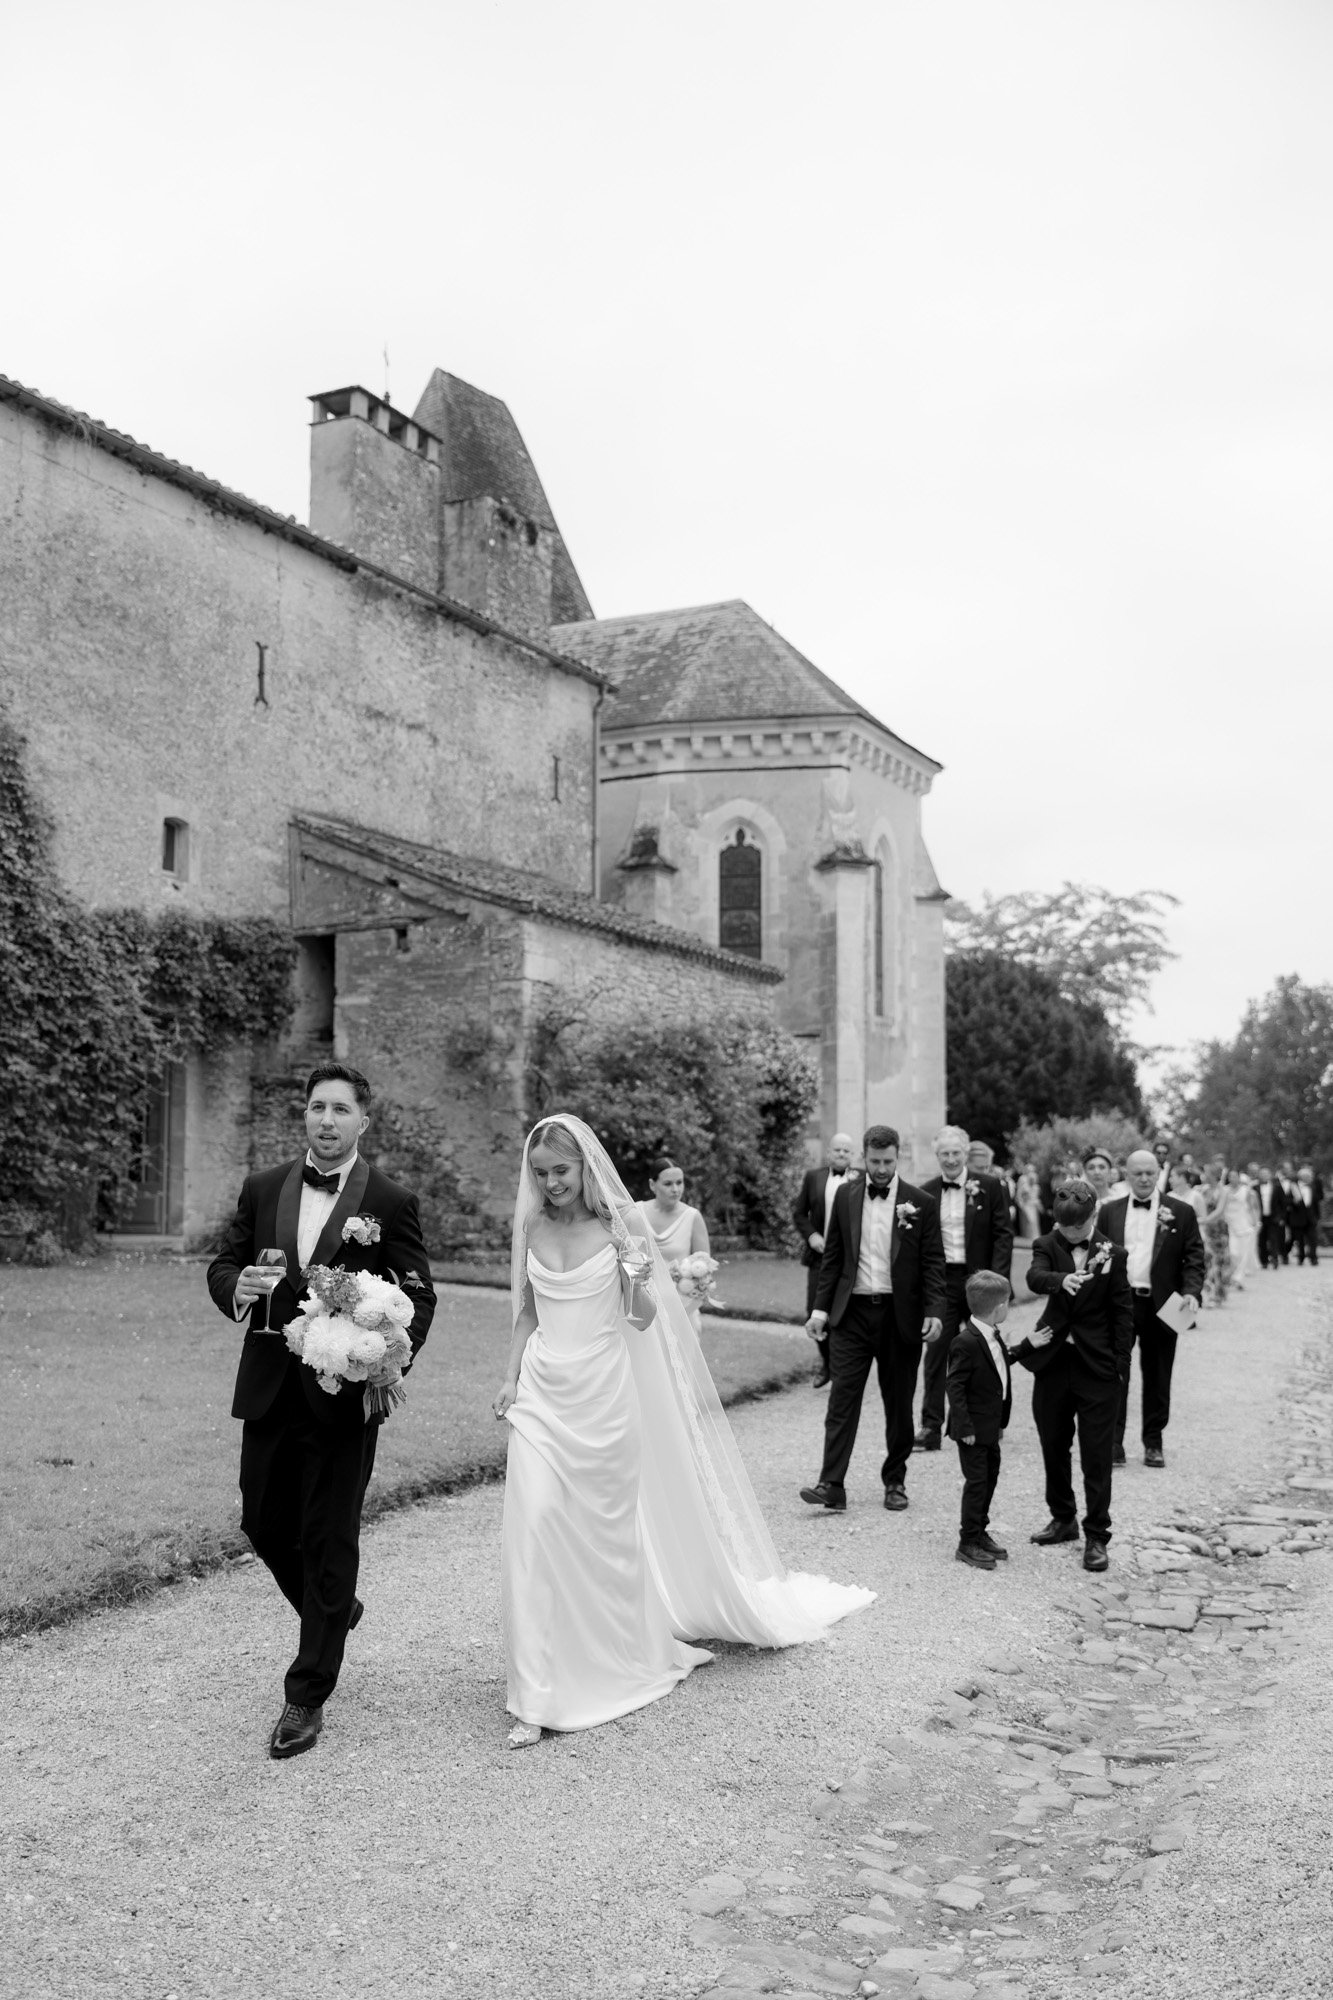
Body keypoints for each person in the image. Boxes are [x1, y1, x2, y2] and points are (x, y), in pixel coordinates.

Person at [494, 1115, 873, 1748]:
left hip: (602, 1396)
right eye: (541, 1173)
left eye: (561, 1170)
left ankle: (613, 1657)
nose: (551, 1183)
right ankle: (535, 1691)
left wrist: (639, 1281)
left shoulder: (621, 1227)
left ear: (585, 1168)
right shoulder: (532, 1225)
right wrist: (509, 1379)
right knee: (532, 1528)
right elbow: (529, 1311)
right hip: (539, 1392)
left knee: (603, 1538)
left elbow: (643, 1320)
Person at [206, 1062, 436, 1760]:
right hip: (268, 1385)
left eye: (340, 1109)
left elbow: (418, 1295)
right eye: (316, 1107)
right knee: (262, 1520)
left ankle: (306, 1695)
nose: (327, 1120)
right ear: (304, 1115)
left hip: (344, 1394)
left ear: (363, 1120)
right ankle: (335, 1609)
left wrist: (387, 1358)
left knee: (329, 1536)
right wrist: (236, 1286)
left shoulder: (390, 1200)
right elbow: (223, 1264)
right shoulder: (262, 1186)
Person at [800, 1123, 945, 1513]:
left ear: (898, 1158)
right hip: (852, 1316)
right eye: (875, 1161)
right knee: (841, 1400)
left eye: (888, 1162)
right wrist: (820, 1310)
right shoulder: (845, 1196)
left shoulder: (921, 1202)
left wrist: (934, 1310)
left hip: (901, 1318)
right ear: (864, 1157)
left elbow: (933, 1262)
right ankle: (831, 1484)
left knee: (898, 1404)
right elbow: (833, 1259)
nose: (881, 1169)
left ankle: (895, 1481)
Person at [1011, 1179, 1132, 1572]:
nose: (1071, 1234)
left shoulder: (1114, 1253)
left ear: (1093, 1217)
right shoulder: (1046, 1244)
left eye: (1078, 1228)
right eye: (1065, 1227)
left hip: (1097, 1365)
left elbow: (1122, 1311)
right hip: (1053, 1361)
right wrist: (1060, 1280)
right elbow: (1033, 1278)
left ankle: (1097, 1535)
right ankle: (1063, 1518)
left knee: (1096, 1455)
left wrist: (1120, 1365)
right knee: (1053, 1444)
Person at [1098, 1148, 1206, 1469]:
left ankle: (1154, 1442)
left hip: (1164, 1304)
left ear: (1159, 1173)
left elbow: (1194, 1258)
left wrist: (1191, 1292)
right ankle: (1113, 1443)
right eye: (1138, 1173)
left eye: (1150, 1173)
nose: (1144, 1179)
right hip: (1120, 1303)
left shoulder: (1182, 1212)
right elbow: (1097, 1256)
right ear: (1127, 1175)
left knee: (1159, 1375)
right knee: (1115, 1373)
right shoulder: (1109, 1211)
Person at [915, 1125, 1013, 1451]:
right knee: (936, 1352)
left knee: (984, 1352)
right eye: (944, 1153)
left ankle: (988, 1420)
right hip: (942, 1282)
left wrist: (996, 1283)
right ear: (937, 1155)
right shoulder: (926, 1192)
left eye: (956, 1152)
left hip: (979, 1280)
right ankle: (930, 1426)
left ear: (966, 1152)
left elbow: (1003, 1235)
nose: (951, 1159)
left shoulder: (990, 1186)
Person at [946, 1270, 1014, 1572]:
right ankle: (967, 1542)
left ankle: (980, 1530)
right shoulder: (965, 1341)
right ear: (999, 1307)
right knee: (976, 1484)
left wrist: (1029, 1345)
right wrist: (964, 1427)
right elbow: (954, 1386)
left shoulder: (992, 1334)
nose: (1008, 1306)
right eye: (1008, 1302)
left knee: (990, 1478)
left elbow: (997, 1368)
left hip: (991, 1425)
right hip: (972, 1429)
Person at [791, 1133, 857, 1388]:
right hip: (820, 1256)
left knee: (844, 1314)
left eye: (846, 1151)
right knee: (814, 1311)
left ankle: (841, 1367)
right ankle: (827, 1362)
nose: (841, 1154)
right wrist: (812, 1236)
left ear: (853, 1155)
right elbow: (799, 1213)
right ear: (829, 1152)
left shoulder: (861, 1178)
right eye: (837, 1149)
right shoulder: (813, 1177)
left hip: (850, 1259)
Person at [638, 1155, 711, 1330]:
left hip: (681, 1307)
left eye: (679, 1182)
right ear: (652, 1185)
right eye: (668, 1184)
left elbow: (705, 1269)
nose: (676, 1189)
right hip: (642, 1304)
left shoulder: (692, 1217)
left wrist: (685, 1311)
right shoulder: (636, 1212)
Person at [1197, 1161, 1232, 1306]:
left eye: (1206, 1172)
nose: (1203, 1175)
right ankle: (1207, 1293)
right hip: (1206, 1230)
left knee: (1218, 1262)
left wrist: (1204, 1220)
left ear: (1213, 1175)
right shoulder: (1202, 1190)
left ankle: (1217, 1295)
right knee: (1207, 1261)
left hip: (1218, 1231)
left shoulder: (1223, 1191)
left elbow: (1220, 1210)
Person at [1225, 1169, 1260, 1288]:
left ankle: (1238, 1278)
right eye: (1230, 1176)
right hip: (1229, 1225)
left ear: (1239, 1177)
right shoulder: (1225, 1190)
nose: (1232, 1178)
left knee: (1243, 1253)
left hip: (1243, 1224)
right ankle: (1233, 1274)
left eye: (1235, 1176)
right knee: (1233, 1253)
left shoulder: (1246, 1190)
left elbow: (1252, 1207)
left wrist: (1256, 1221)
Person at [1255, 1167, 1288, 1268]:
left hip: (1273, 1218)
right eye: (1262, 1174)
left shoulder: (1277, 1187)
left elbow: (1283, 1203)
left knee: (1273, 1239)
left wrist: (1281, 1217)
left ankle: (1274, 1259)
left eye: (1266, 1174)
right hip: (1260, 1218)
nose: (1264, 1176)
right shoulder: (1255, 1187)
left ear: (1270, 1175)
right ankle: (1264, 1261)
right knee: (1262, 1240)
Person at [1289, 1165, 1322, 1265]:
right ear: (1301, 1177)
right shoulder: (1293, 1187)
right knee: (1300, 1240)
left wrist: (1317, 1216)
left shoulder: (1313, 1187)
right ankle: (1301, 1257)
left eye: (1310, 1176)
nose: (1309, 1178)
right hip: (1298, 1218)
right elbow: (1286, 1201)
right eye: (1307, 1176)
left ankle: (1313, 1258)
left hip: (1311, 1217)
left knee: (1313, 1239)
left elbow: (1316, 1203)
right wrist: (1293, 1202)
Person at [1015, 1163, 1042, 1241]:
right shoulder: (1022, 1178)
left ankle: (1033, 1237)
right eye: (1030, 1170)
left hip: (1032, 1204)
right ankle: (1027, 1237)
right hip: (1025, 1204)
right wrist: (1020, 1203)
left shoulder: (1035, 1180)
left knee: (1033, 1222)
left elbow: (1036, 1193)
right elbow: (1019, 1193)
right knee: (1027, 1222)